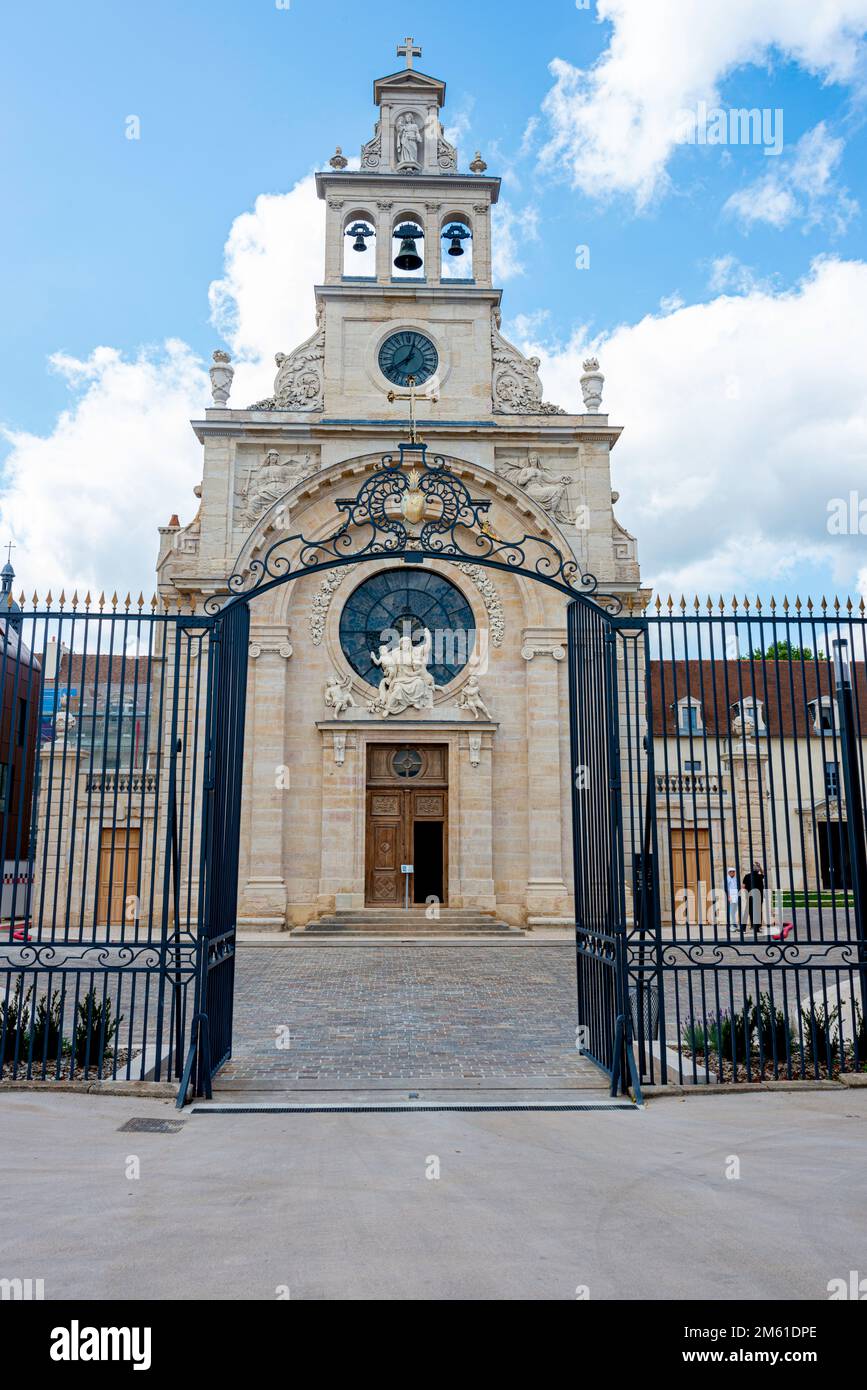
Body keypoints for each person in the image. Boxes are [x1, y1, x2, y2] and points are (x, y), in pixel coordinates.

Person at [742, 862, 765, 933]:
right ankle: (757, 928)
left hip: (749, 896)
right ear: (758, 870)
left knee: (749, 911)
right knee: (758, 911)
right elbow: (763, 873)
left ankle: (745, 928)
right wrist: (760, 866)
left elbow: (743, 886)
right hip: (758, 897)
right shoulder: (760, 876)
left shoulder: (747, 876)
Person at [725, 867, 740, 933]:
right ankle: (731, 925)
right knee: (731, 911)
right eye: (731, 871)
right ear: (728, 872)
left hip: (735, 895)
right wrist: (728, 896)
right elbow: (726, 888)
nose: (732, 873)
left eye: (733, 871)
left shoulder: (736, 879)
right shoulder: (727, 879)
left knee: (734, 910)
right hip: (730, 895)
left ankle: (734, 924)